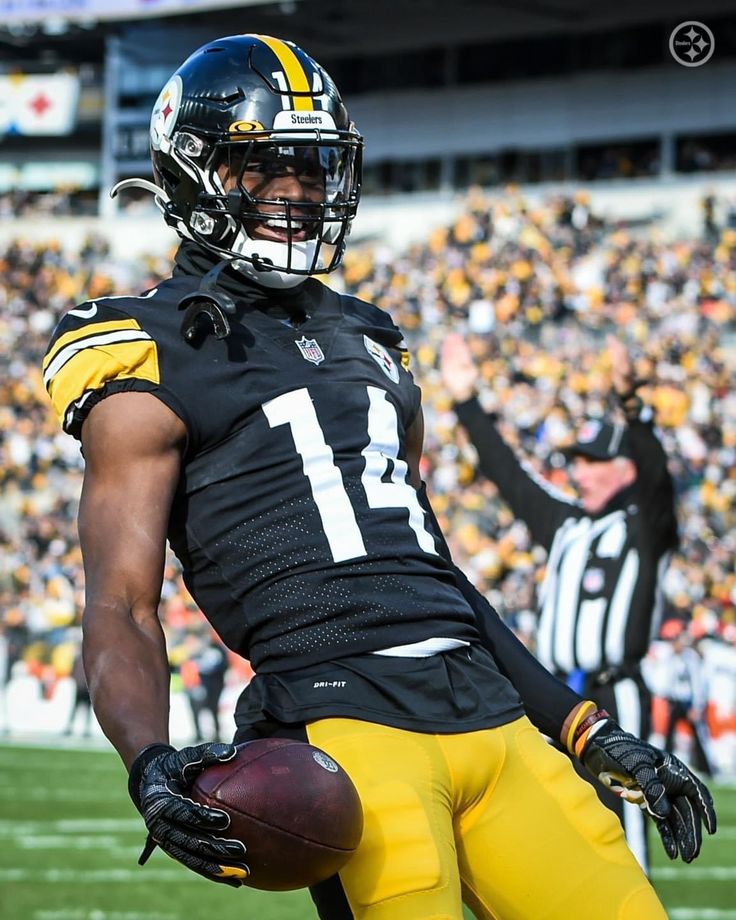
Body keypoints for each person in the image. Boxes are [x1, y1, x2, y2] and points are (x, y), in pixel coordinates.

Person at [42, 34, 715, 920]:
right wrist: (147, 759)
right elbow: (121, 603)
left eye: (315, 170)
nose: (298, 193)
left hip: (493, 718)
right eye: (266, 169)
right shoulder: (149, 350)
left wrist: (586, 730)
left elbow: (435, 578)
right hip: (345, 725)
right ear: (192, 171)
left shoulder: (373, 342)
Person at [440, 332, 680, 872]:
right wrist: (465, 400)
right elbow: (508, 475)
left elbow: (660, 480)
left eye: (594, 461)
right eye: (576, 460)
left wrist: (632, 409)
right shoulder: (567, 524)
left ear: (626, 471)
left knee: (628, 822)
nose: (580, 471)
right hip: (558, 694)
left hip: (615, 689)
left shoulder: (646, 527)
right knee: (558, 824)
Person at [661, 625, 714, 777]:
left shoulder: (690, 658)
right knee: (669, 735)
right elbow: (669, 681)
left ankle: (706, 768)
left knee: (698, 735)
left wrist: (697, 706)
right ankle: (665, 763)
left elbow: (697, 683)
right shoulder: (671, 658)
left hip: (688, 702)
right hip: (675, 701)